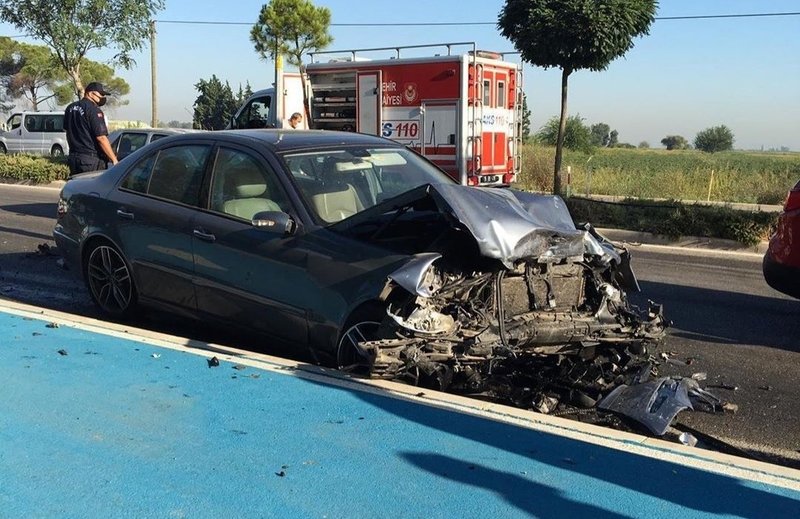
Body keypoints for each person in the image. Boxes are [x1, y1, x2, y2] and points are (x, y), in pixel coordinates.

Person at [64, 82, 118, 177]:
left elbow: (67, 131)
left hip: (73, 158)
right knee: (92, 186)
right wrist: (114, 160)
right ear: (90, 93)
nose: (102, 97)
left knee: (77, 185)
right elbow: (101, 138)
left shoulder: (70, 108)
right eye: (100, 94)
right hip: (90, 161)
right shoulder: (93, 110)